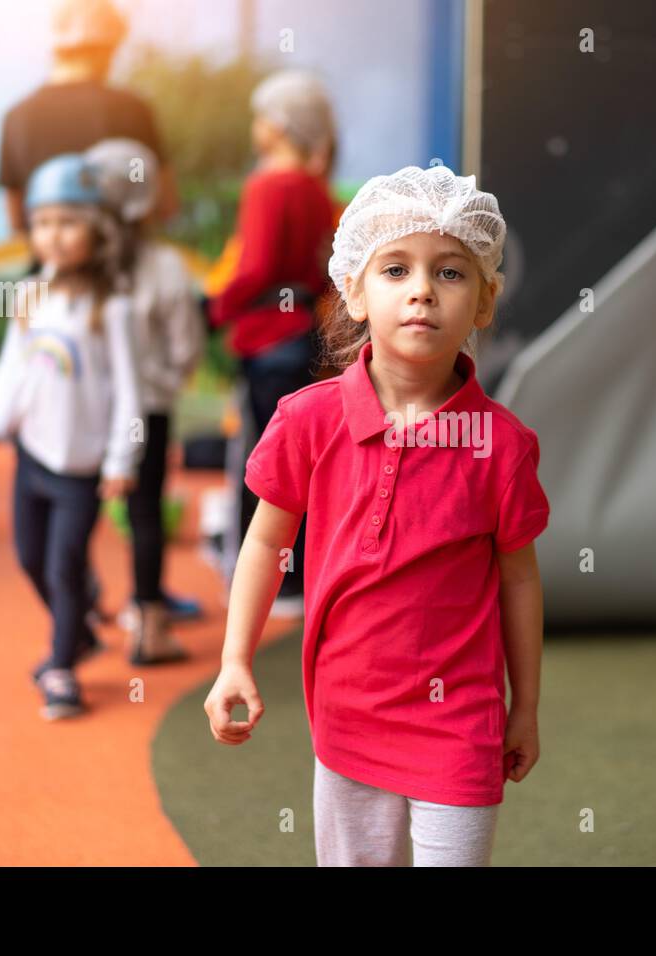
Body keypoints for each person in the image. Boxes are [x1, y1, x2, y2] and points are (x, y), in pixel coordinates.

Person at [202, 165, 550, 866]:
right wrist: (234, 658)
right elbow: (267, 542)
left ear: (484, 303)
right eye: (396, 269)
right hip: (347, 723)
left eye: (451, 273)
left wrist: (525, 708)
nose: (422, 289)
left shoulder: (502, 445)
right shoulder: (306, 421)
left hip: (461, 727)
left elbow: (519, 580)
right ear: (354, 292)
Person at [0, 153, 143, 721]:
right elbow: (12, 371)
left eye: (68, 222)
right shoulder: (31, 296)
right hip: (33, 455)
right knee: (28, 558)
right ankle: (80, 633)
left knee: (65, 564)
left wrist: (122, 458)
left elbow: (130, 393)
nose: (54, 234)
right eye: (43, 222)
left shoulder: (111, 306)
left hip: (81, 465)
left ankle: (63, 667)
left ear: (97, 231)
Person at [207, 69, 338, 617]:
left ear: (279, 125)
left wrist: (214, 308)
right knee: (302, 463)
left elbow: (254, 266)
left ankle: (259, 579)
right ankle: (299, 576)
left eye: (262, 116)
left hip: (265, 338)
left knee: (259, 462)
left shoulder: (266, 185)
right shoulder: (316, 189)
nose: (256, 127)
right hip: (304, 335)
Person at [84, 137, 204, 663]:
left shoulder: (81, 266)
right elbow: (187, 347)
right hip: (148, 412)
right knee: (146, 514)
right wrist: (163, 380)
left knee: (76, 511)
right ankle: (149, 626)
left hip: (85, 410)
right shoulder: (167, 267)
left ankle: (80, 615)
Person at [0, 0, 178, 234]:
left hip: (48, 266)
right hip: (125, 265)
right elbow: (163, 203)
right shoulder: (132, 110)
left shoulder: (17, 117)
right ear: (108, 47)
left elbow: (17, 221)